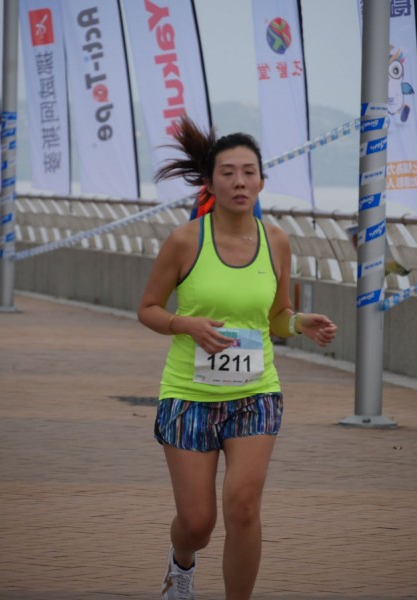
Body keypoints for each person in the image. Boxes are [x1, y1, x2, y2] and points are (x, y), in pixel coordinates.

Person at [138, 115, 337, 600]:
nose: (240, 181)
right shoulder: (185, 241)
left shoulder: (277, 241)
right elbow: (148, 309)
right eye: (228, 173)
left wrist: (299, 323)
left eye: (249, 172)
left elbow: (276, 316)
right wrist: (186, 325)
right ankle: (181, 563)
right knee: (198, 522)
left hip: (255, 392)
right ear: (209, 184)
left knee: (244, 508)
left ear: (262, 181)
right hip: (189, 394)